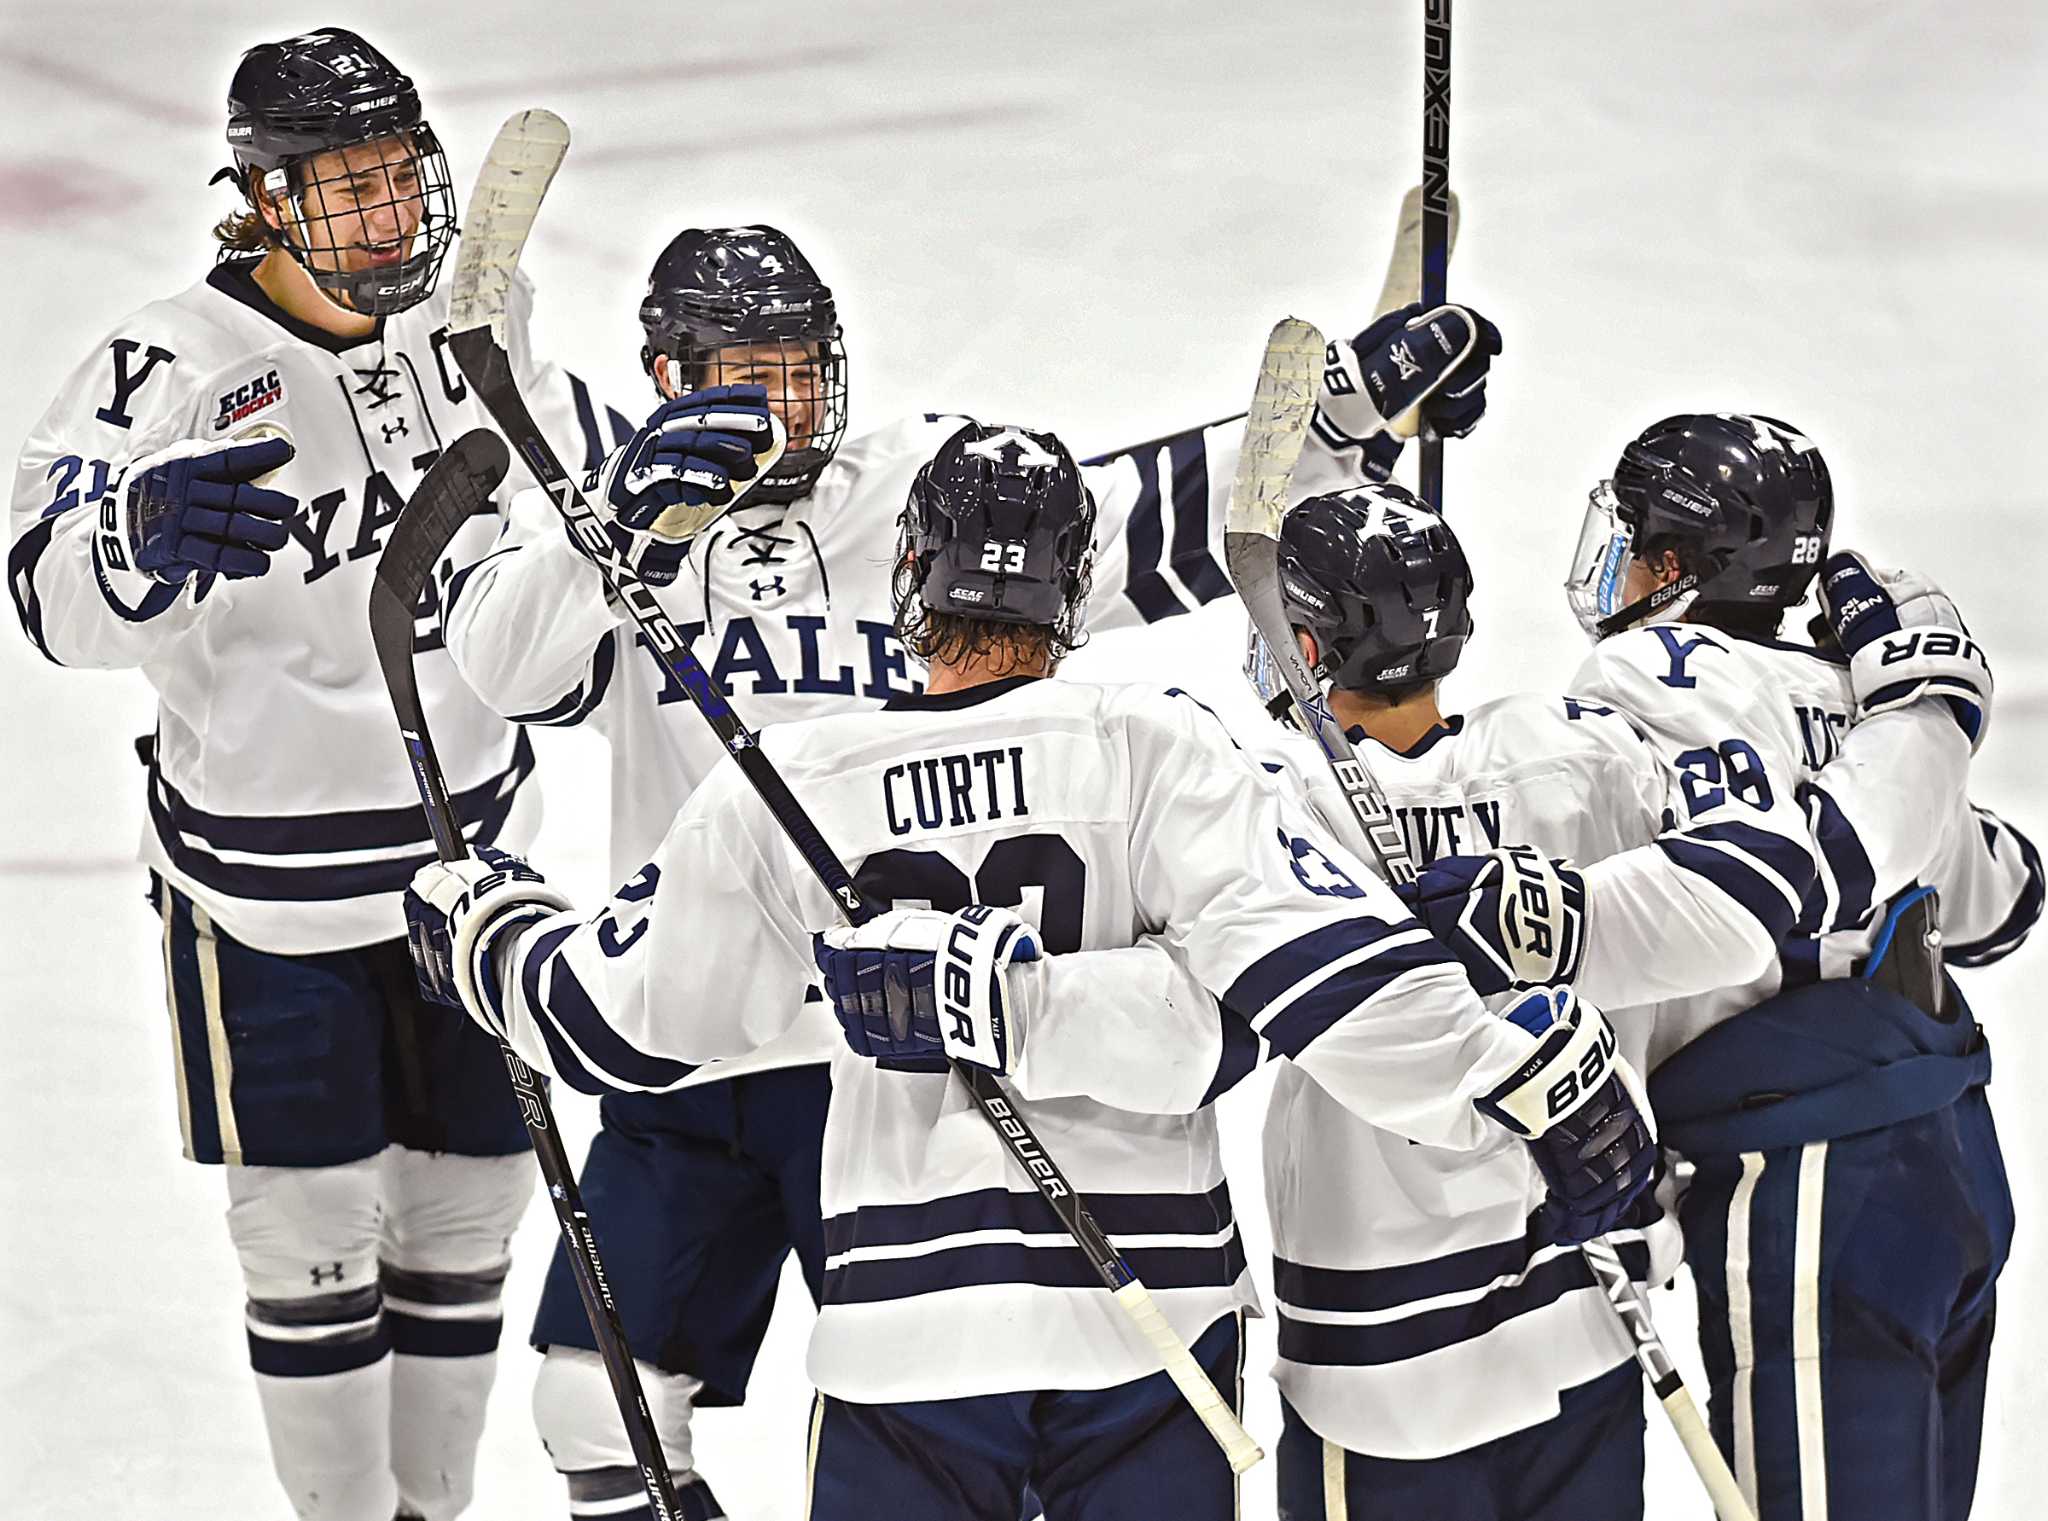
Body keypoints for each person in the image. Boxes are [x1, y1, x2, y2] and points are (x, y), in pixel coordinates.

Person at [439, 222, 1504, 1519]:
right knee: (592, 1413)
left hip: (907, 1060)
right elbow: (503, 669)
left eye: (802, 373)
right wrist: (615, 515)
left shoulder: (914, 488)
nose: (782, 410)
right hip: (708, 1027)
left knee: (934, 1367)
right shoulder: (619, 515)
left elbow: (1135, 518)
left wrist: (1341, 420)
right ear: (668, 377)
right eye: (746, 378)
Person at [5, 28, 624, 1521]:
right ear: (262, 202)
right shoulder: (163, 363)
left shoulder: (478, 323)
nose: (385, 219)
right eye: (340, 190)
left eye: (397, 180)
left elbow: (567, 509)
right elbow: (36, 590)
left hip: (466, 874)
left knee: (468, 1213)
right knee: (306, 1241)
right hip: (260, 896)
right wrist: (128, 540)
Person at [1403, 414, 2039, 1518]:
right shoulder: (1861, 699)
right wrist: (1912, 728)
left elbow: (1765, 882)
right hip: (1953, 1165)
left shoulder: (1644, 668)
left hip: (1803, 1175)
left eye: (1636, 534)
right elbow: (2000, 900)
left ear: (1671, 561)